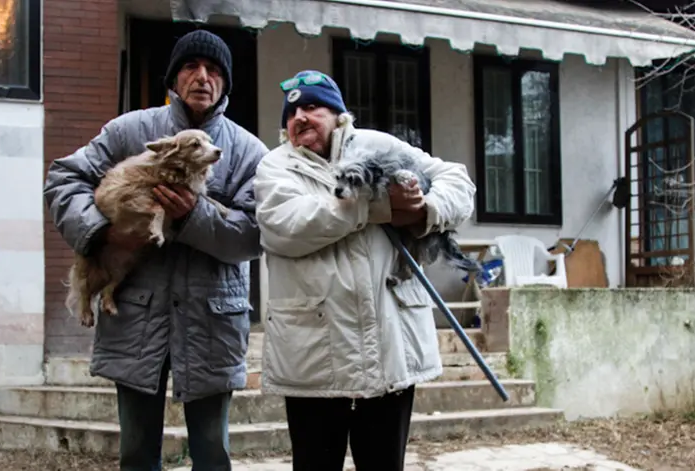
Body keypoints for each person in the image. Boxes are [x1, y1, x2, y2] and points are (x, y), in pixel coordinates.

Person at [43, 29, 268, 471]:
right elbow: (63, 180)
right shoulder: (130, 131)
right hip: (134, 313)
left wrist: (190, 218)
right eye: (191, 67)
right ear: (173, 77)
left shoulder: (246, 152)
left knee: (212, 451)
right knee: (136, 451)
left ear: (225, 83)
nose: (202, 77)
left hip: (212, 320)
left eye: (214, 70)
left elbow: (256, 233)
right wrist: (100, 233)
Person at [253, 70, 476, 471]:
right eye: (292, 112)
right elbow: (286, 227)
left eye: (312, 106)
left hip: (389, 349)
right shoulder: (275, 166)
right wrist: (379, 206)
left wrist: (425, 209)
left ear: (338, 115)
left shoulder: (380, 145)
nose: (300, 117)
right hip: (313, 355)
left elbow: (457, 180)